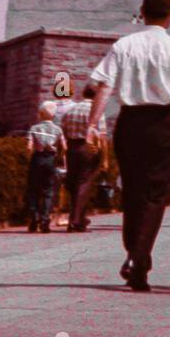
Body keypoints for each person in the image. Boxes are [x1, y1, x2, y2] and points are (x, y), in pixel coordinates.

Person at [87, 0, 170, 293]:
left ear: (142, 11)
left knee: (133, 194)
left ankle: (136, 256)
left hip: (130, 123)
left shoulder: (124, 45)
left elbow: (104, 87)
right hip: (164, 123)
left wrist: (92, 124)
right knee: (155, 196)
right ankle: (139, 258)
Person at [59, 83, 107, 231]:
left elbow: (63, 131)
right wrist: (105, 158)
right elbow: (103, 137)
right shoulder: (97, 112)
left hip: (72, 148)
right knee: (84, 184)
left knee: (74, 183)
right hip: (89, 148)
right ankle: (76, 221)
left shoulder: (70, 110)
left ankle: (77, 217)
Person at [25, 100, 65, 233]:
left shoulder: (34, 128)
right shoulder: (58, 129)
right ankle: (45, 219)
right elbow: (64, 147)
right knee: (48, 191)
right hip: (50, 159)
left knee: (33, 190)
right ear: (53, 116)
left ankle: (33, 218)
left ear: (40, 114)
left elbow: (29, 147)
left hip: (37, 159)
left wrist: (29, 155)